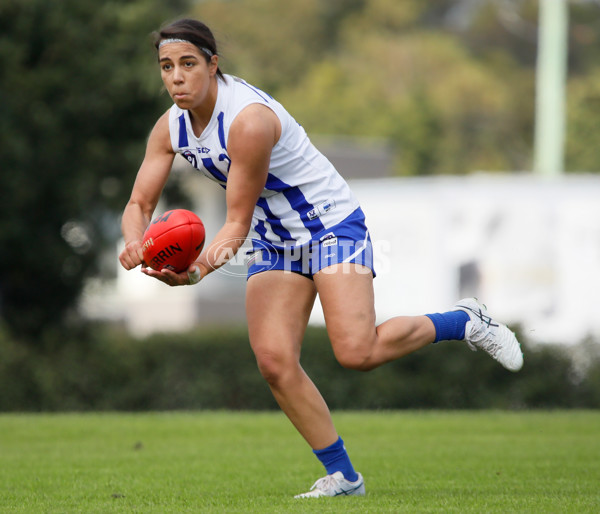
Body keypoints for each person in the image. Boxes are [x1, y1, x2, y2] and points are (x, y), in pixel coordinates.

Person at [119, 18, 524, 498]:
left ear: (213, 65)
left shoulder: (248, 121)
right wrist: (135, 244)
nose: (176, 77)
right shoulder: (170, 128)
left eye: (188, 64)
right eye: (166, 67)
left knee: (358, 352)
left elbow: (235, 224)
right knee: (274, 361)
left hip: (330, 225)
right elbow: (139, 204)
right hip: (276, 238)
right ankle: (344, 478)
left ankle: (464, 319)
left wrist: (195, 272)